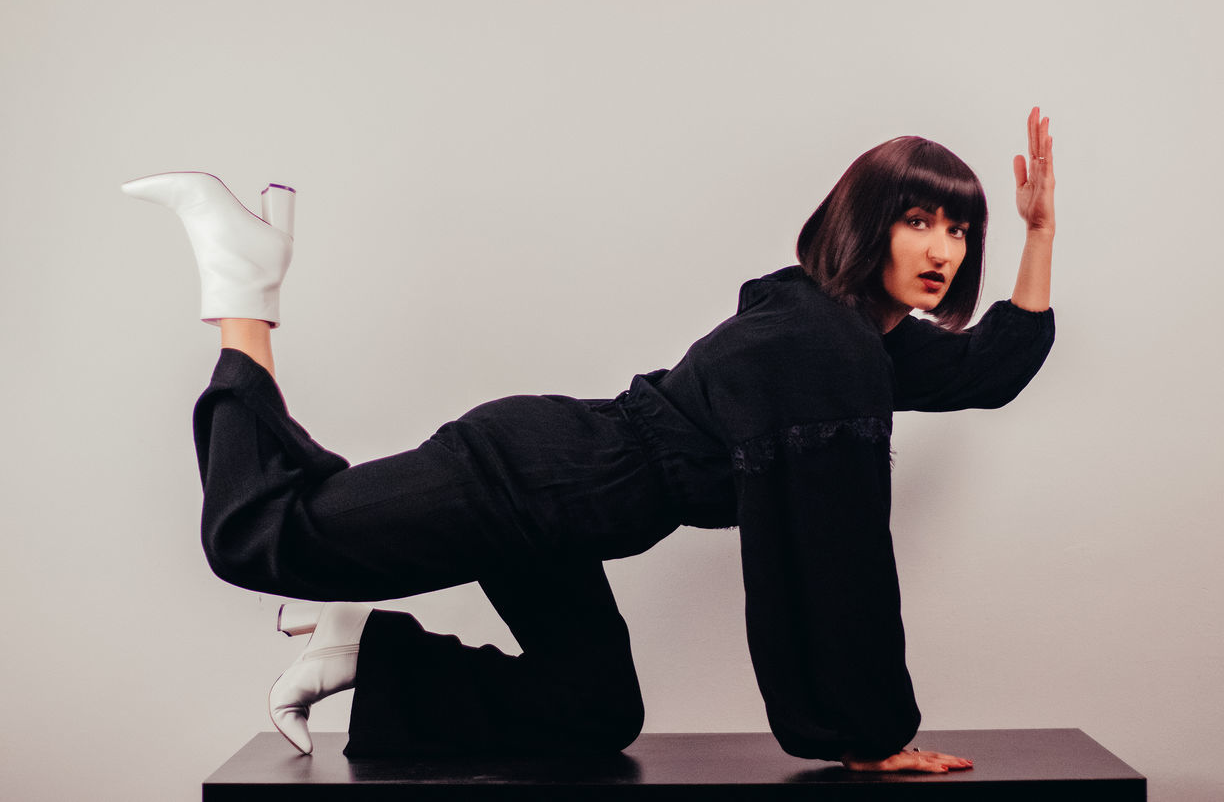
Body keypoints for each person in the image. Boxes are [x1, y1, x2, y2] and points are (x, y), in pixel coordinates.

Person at [122, 108, 1056, 774]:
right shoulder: (819, 346)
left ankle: (365, 642)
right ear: (867, 223)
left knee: (594, 709)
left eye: (961, 230)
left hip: (568, 518)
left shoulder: (855, 344)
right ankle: (244, 293)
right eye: (919, 219)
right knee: (258, 538)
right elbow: (834, 553)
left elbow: (989, 370)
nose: (944, 250)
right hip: (523, 474)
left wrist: (1039, 231)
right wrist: (867, 732)